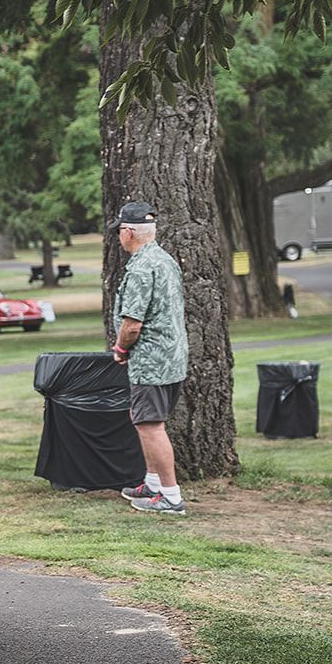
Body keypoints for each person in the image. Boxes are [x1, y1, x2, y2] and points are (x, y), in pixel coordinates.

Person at [110, 201, 190, 516]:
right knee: (143, 418)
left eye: (120, 230)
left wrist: (120, 349)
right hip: (172, 356)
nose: (119, 235)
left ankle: (170, 497)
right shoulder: (164, 260)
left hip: (151, 361)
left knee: (151, 425)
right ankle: (153, 484)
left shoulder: (142, 267)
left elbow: (132, 324)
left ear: (129, 232)